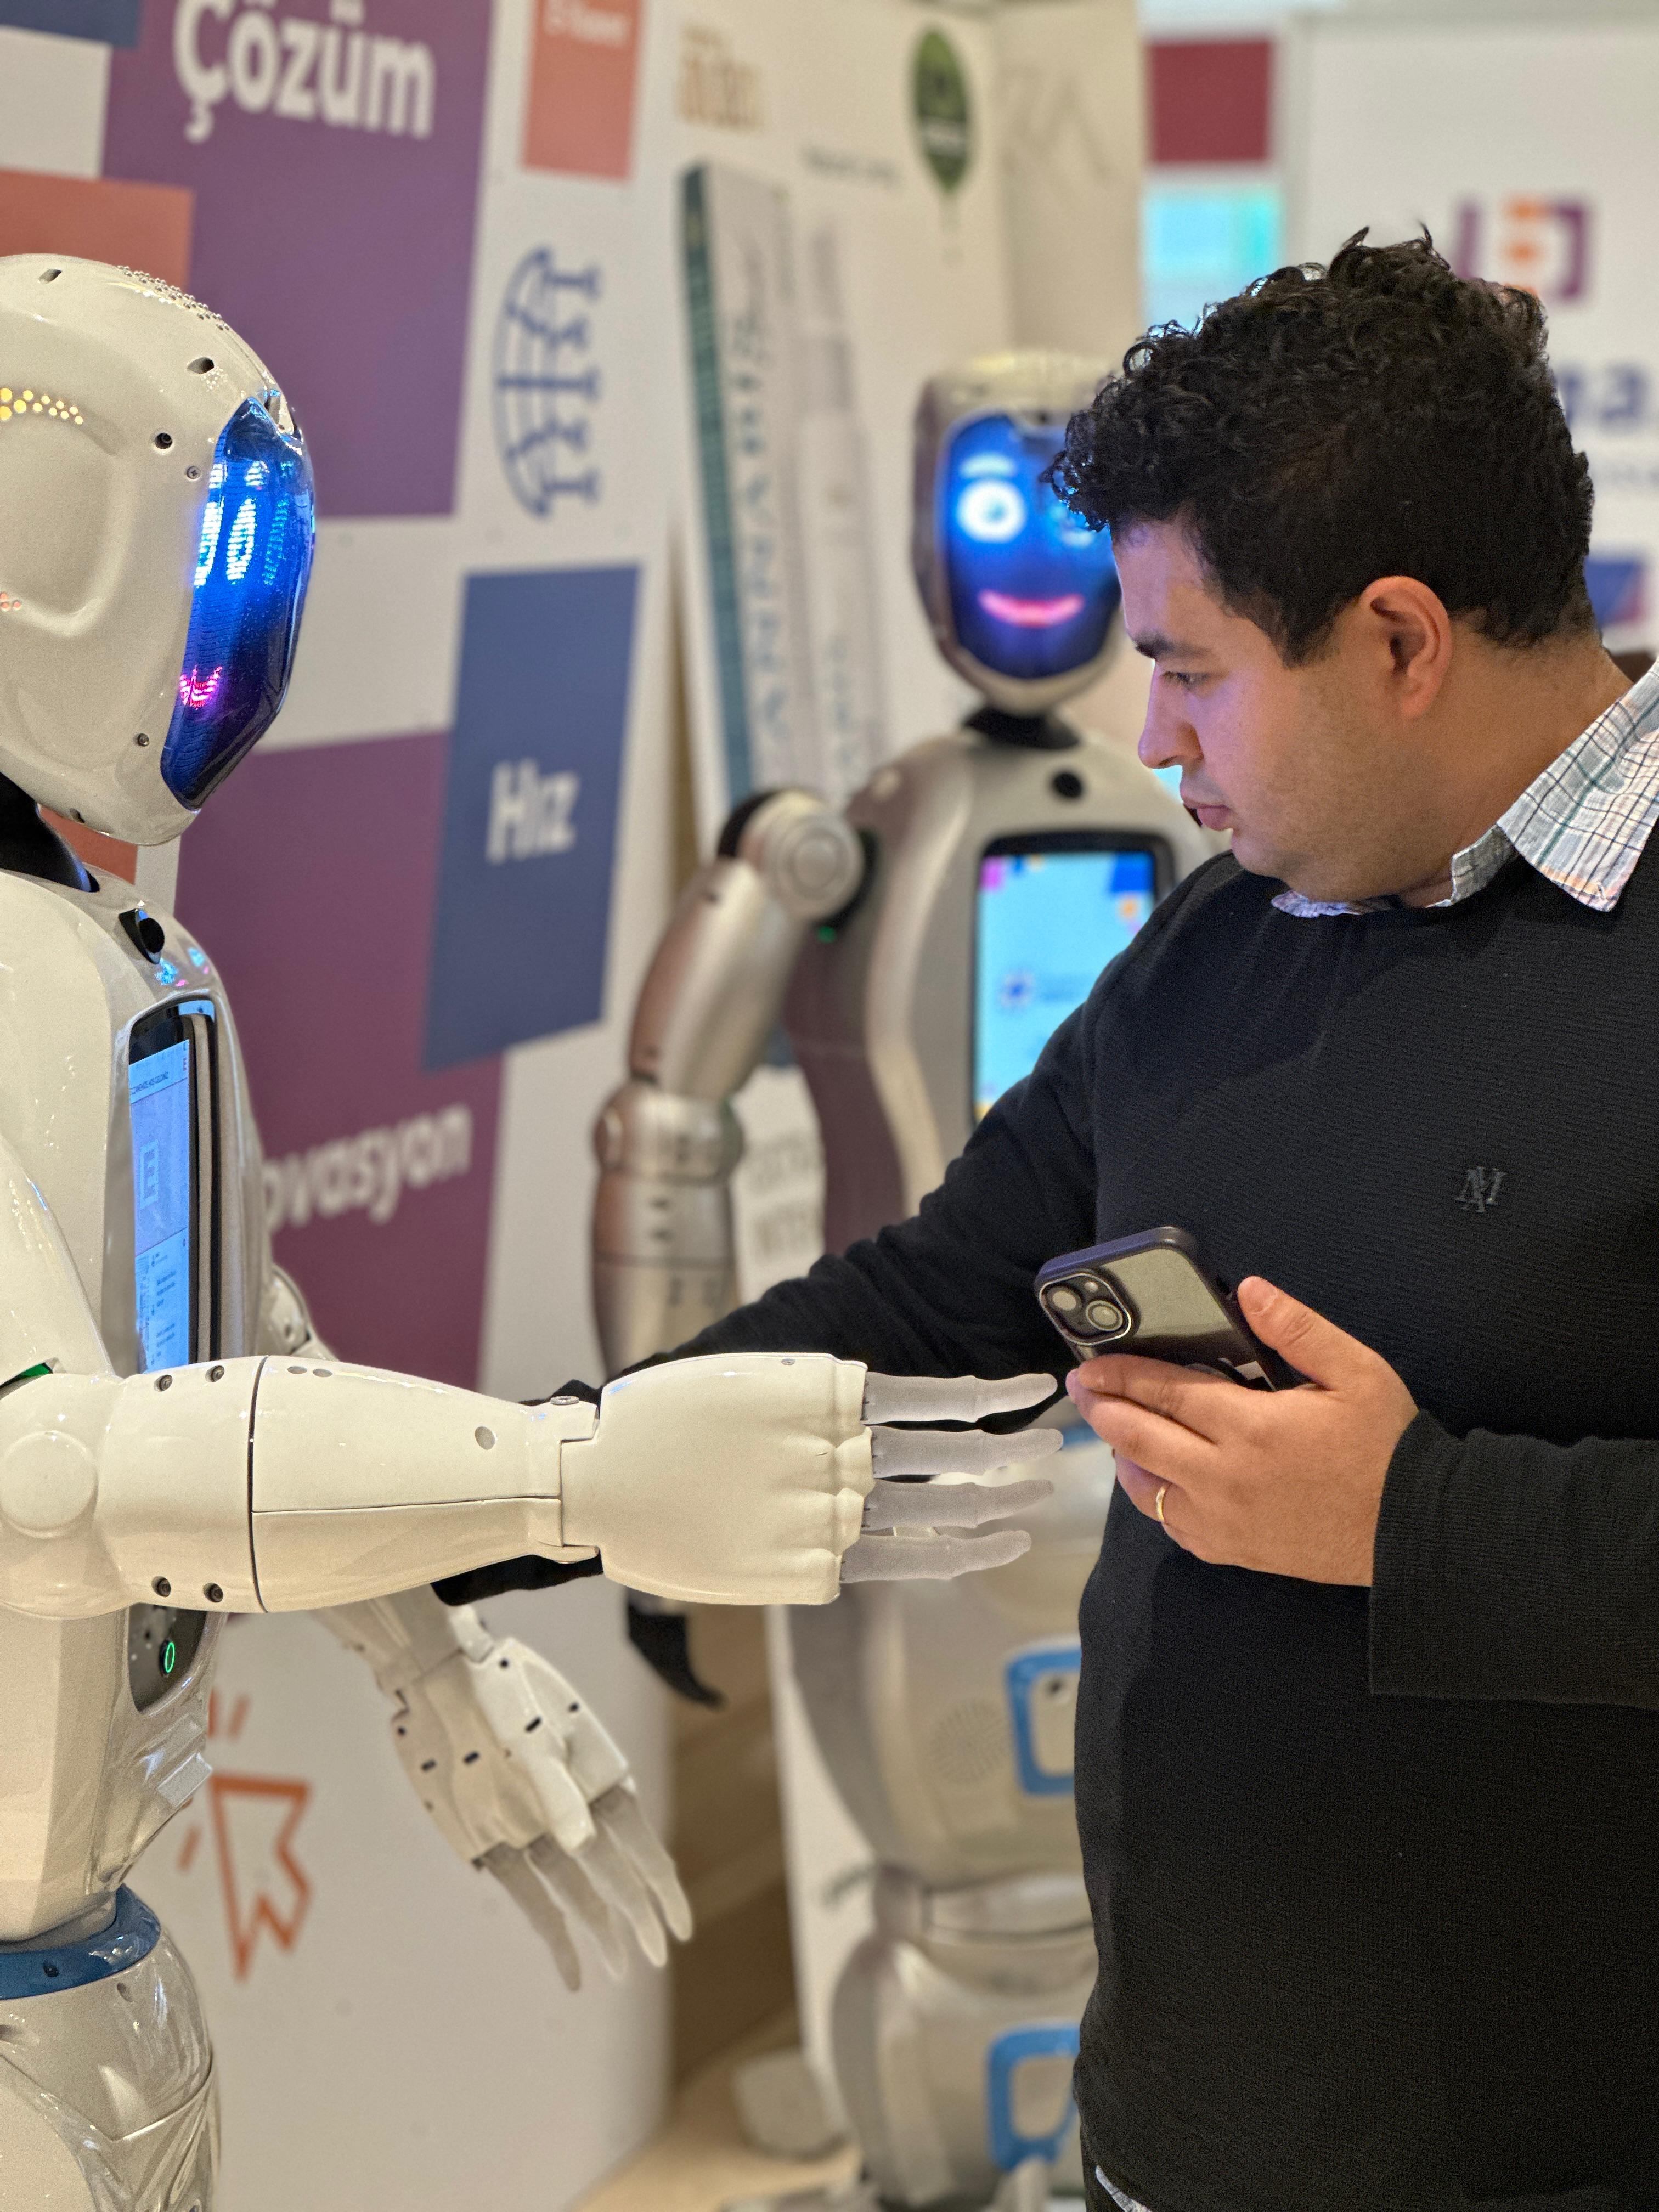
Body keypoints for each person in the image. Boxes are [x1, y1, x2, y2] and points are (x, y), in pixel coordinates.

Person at [489, 229, 1659, 2205]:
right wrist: (531, 1481)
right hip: (1184, 2126)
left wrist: (1410, 1524)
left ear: (1398, 642)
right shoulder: (1232, 929)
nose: (1153, 739)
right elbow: (946, 1291)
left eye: (1191, 670)